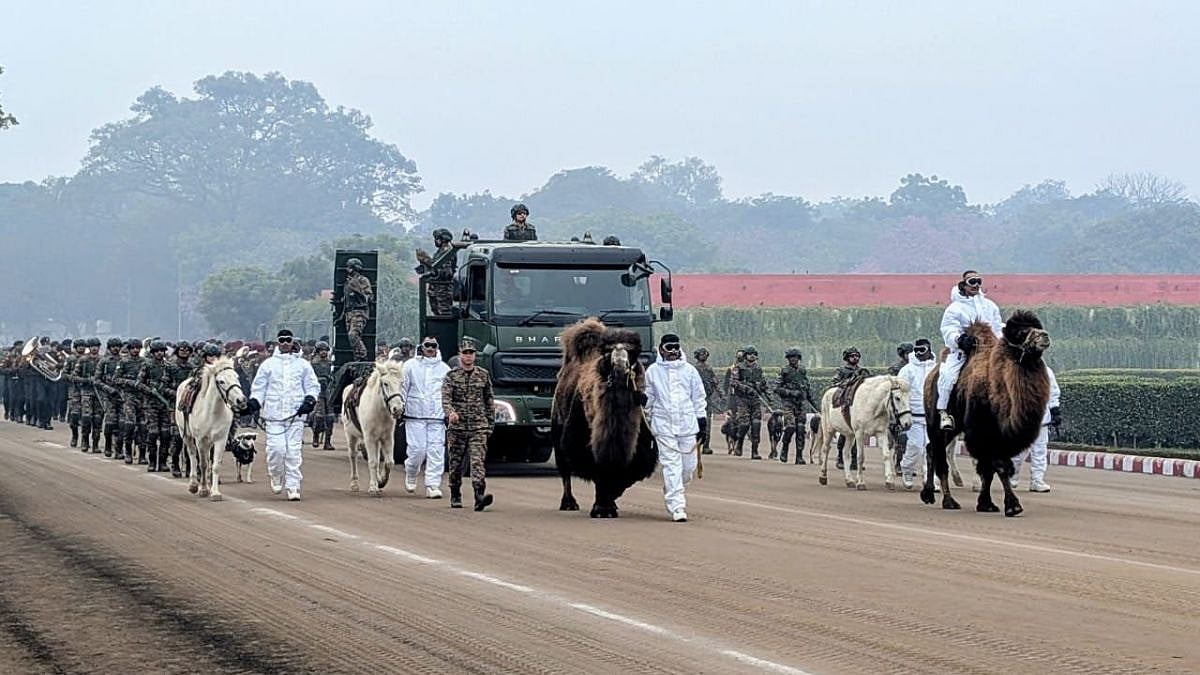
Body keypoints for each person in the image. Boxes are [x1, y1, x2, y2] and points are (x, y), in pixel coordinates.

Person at [247, 329, 321, 501]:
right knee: (277, 450)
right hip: (274, 416)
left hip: (296, 415)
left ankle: (293, 486)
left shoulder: (303, 364)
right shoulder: (268, 365)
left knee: (293, 452)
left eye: (289, 339)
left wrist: (310, 400)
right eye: (282, 340)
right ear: (278, 342)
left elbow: (312, 385)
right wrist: (254, 402)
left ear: (293, 341)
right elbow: (259, 388)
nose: (286, 343)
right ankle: (276, 474)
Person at [644, 334, 707, 522]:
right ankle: (677, 506)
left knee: (688, 467)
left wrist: (701, 419)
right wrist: (643, 402)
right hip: (663, 426)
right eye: (668, 347)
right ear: (661, 349)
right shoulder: (653, 372)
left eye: (675, 347)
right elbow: (649, 398)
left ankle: (674, 486)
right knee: (672, 465)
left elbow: (698, 397)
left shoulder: (690, 371)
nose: (673, 351)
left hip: (687, 425)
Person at [936, 270, 1003, 431]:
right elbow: (948, 329)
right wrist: (960, 339)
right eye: (972, 282)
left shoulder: (990, 306)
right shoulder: (954, 308)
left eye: (979, 281)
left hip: (988, 350)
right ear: (963, 285)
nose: (976, 285)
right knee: (948, 376)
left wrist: (1001, 341)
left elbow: (997, 327)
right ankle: (944, 412)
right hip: (963, 352)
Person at [441, 338, 495, 510]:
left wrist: (489, 425)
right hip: (457, 428)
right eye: (465, 353)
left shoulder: (483, 375)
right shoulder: (451, 376)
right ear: (460, 355)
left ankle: (479, 495)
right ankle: (455, 493)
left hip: (478, 426)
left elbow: (489, 401)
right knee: (456, 464)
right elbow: (445, 399)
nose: (468, 356)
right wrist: (451, 413)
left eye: (471, 353)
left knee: (478, 462)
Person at [402, 336, 451, 498]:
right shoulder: (409, 366)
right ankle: (411, 471)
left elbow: (449, 393)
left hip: (437, 416)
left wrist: (449, 412)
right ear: (421, 347)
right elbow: (403, 388)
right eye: (427, 345)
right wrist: (400, 407)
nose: (430, 348)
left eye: (433, 345)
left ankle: (432, 485)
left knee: (436, 451)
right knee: (417, 450)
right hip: (415, 415)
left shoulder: (445, 369)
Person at [1011, 365, 1061, 492]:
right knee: (1018, 451)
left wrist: (1055, 411)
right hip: (1022, 418)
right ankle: (1012, 477)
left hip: (1041, 418)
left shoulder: (1047, 371)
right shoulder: (1017, 370)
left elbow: (1053, 392)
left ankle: (1037, 480)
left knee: (1040, 451)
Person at [897, 338, 938, 489]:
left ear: (929, 350)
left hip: (932, 416)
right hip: (913, 415)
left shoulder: (937, 368)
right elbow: (900, 393)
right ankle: (907, 469)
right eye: (917, 350)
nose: (919, 353)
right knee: (916, 447)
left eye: (923, 350)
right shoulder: (907, 370)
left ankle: (931, 478)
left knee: (931, 447)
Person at [831, 347, 871, 470]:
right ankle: (840, 458)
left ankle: (855, 460)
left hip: (859, 404)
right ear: (847, 358)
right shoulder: (842, 371)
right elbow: (834, 383)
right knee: (845, 433)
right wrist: (849, 382)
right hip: (845, 403)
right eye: (852, 356)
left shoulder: (862, 371)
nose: (855, 358)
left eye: (857, 356)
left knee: (858, 434)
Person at [138, 341, 175, 472]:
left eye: (161, 351)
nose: (159, 353)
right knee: (153, 433)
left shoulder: (169, 366)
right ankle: (152, 461)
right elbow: (139, 383)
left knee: (165, 434)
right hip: (150, 405)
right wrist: (149, 390)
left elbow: (172, 383)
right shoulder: (147, 365)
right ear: (153, 352)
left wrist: (168, 391)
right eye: (157, 351)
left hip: (165, 405)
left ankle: (163, 462)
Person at [775, 347, 816, 464]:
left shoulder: (802, 371)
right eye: (792, 357)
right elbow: (777, 388)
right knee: (790, 427)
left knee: (801, 430)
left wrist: (815, 405)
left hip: (800, 405)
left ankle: (799, 456)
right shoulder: (784, 371)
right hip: (788, 403)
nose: (794, 360)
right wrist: (790, 392)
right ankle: (784, 449)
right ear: (788, 359)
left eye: (796, 357)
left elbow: (807, 388)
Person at [729, 345, 768, 459]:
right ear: (745, 356)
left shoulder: (758, 369)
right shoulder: (738, 368)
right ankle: (739, 443)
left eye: (754, 354)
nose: (752, 356)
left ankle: (755, 451)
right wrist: (745, 388)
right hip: (743, 400)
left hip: (755, 400)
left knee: (756, 425)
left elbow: (763, 384)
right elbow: (733, 382)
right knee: (744, 424)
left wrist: (764, 392)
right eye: (750, 354)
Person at [337, 258, 374, 361]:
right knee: (351, 338)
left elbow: (369, 297)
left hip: (359, 312)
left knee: (353, 335)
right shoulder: (347, 282)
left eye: (349, 267)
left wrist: (357, 289)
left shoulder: (362, 280)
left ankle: (363, 356)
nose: (347, 269)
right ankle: (357, 357)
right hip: (349, 313)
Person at [417, 228, 457, 316]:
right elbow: (434, 267)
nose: (435, 241)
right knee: (437, 313)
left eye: (437, 238)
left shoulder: (448, 252)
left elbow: (445, 272)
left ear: (442, 239)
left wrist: (427, 260)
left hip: (443, 289)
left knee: (444, 315)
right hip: (436, 288)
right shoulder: (440, 252)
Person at [692, 347, 719, 455]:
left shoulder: (709, 369)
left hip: (707, 399)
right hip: (694, 399)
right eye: (701, 354)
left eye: (705, 354)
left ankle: (706, 446)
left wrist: (721, 394)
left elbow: (715, 382)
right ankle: (694, 445)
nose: (703, 356)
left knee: (707, 424)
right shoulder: (693, 369)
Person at [309, 341, 335, 450]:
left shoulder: (330, 363)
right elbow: (310, 378)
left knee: (330, 417)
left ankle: (327, 442)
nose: (324, 352)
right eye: (321, 350)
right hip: (318, 391)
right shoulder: (313, 363)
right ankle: (315, 435)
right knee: (319, 416)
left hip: (328, 391)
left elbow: (333, 375)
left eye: (325, 350)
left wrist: (330, 378)